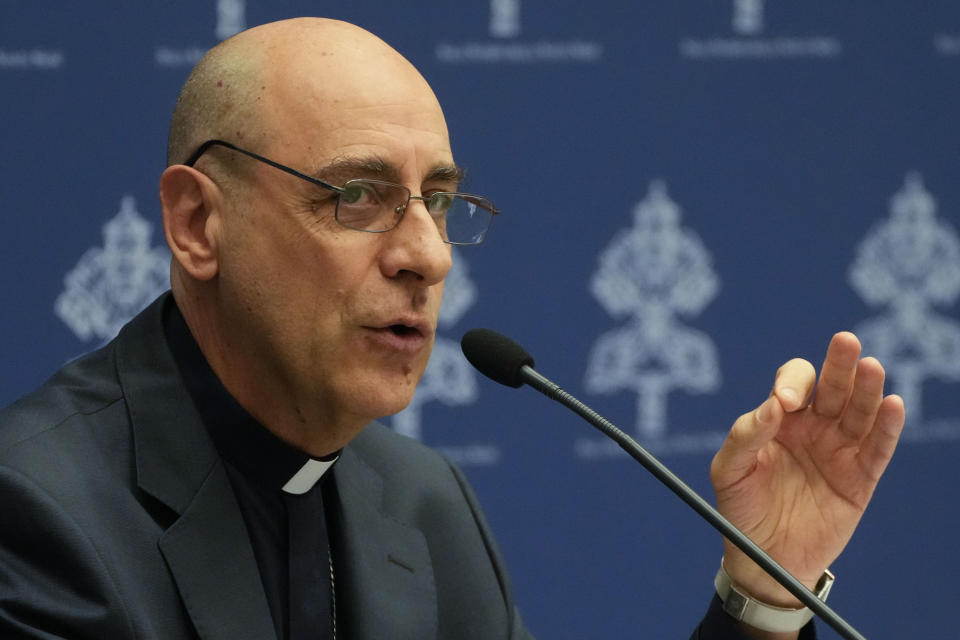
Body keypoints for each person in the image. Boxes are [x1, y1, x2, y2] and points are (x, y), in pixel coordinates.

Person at [0, 17, 904, 640]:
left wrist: (761, 594)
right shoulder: (37, 515)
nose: (428, 256)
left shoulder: (427, 503)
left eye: (439, 201)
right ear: (200, 225)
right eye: (357, 195)